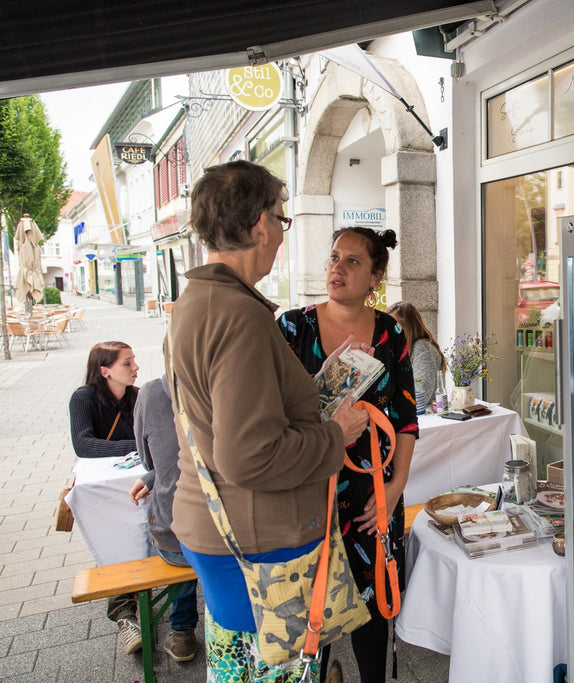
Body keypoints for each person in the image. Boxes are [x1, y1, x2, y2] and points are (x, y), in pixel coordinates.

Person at [166, 160, 369, 682]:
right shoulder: (239, 315)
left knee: (235, 662)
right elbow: (249, 454)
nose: (281, 235)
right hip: (257, 537)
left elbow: (216, 420)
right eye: (281, 220)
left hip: (218, 525)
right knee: (270, 669)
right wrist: (335, 434)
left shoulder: (196, 301)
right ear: (260, 224)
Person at [279, 227, 418, 683]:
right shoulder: (292, 328)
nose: (336, 267)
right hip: (309, 488)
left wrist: (396, 489)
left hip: (372, 490)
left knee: (375, 605)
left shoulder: (392, 332)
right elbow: (272, 414)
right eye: (334, 257)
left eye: (352, 261)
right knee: (312, 610)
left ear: (376, 275)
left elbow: (406, 418)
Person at [68, 341, 144, 655]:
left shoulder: (138, 396)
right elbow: (83, 444)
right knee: (116, 543)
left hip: (137, 483)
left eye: (134, 361)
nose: (136, 367)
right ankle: (125, 615)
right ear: (105, 371)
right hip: (104, 490)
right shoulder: (83, 398)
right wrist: (134, 446)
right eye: (128, 363)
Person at [128, 375, 199, 663]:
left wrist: (156, 475)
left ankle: (182, 633)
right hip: (235, 537)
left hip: (178, 541)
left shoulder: (152, 392)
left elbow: (149, 458)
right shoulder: (229, 382)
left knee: (179, 532)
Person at [385, 301, 446, 414]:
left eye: (394, 325)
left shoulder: (422, 348)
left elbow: (421, 393)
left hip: (423, 419)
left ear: (408, 327)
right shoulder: (398, 349)